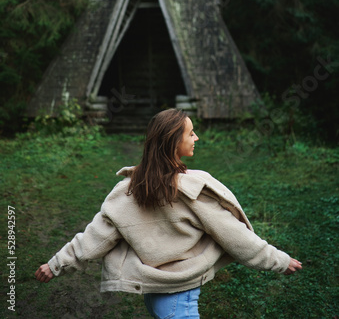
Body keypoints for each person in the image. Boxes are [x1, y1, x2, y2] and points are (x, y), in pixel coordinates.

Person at [35, 108, 302, 318]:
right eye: (191, 133)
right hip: (178, 298)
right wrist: (278, 260)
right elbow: (234, 234)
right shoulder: (193, 190)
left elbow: (95, 238)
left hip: (155, 295)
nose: (197, 138)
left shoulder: (129, 189)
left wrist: (55, 264)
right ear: (174, 141)